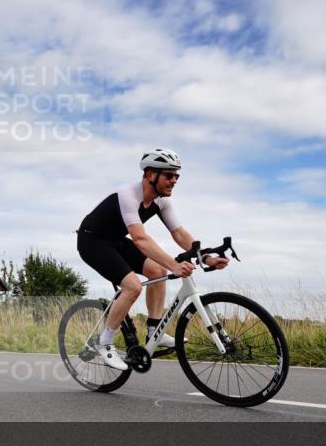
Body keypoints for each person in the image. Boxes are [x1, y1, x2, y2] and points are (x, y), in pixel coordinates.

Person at [77, 148, 228, 370]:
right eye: (169, 175)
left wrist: (205, 257)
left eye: (177, 176)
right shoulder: (128, 194)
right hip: (92, 241)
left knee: (158, 272)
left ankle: (154, 329)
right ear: (150, 175)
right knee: (133, 286)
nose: (174, 180)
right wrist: (175, 265)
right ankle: (105, 342)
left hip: (117, 240)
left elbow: (179, 233)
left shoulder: (162, 201)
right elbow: (139, 238)